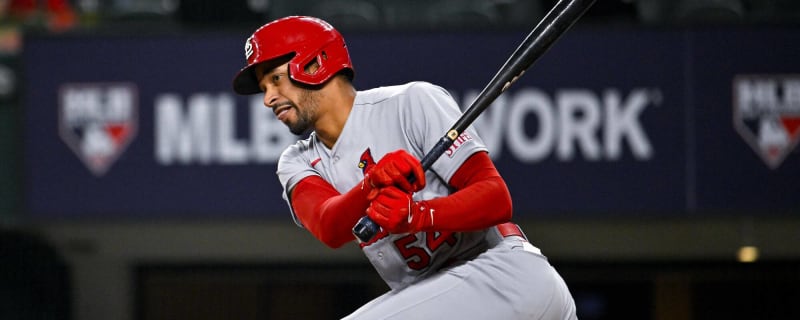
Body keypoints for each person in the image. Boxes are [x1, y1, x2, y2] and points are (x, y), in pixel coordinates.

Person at [232, 16, 577, 319]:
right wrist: (371, 187)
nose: (268, 98)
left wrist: (417, 215)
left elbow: (496, 199)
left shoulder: (411, 103)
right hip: (440, 295)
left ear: (315, 63)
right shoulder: (299, 160)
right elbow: (330, 225)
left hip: (503, 275)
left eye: (275, 79)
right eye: (264, 88)